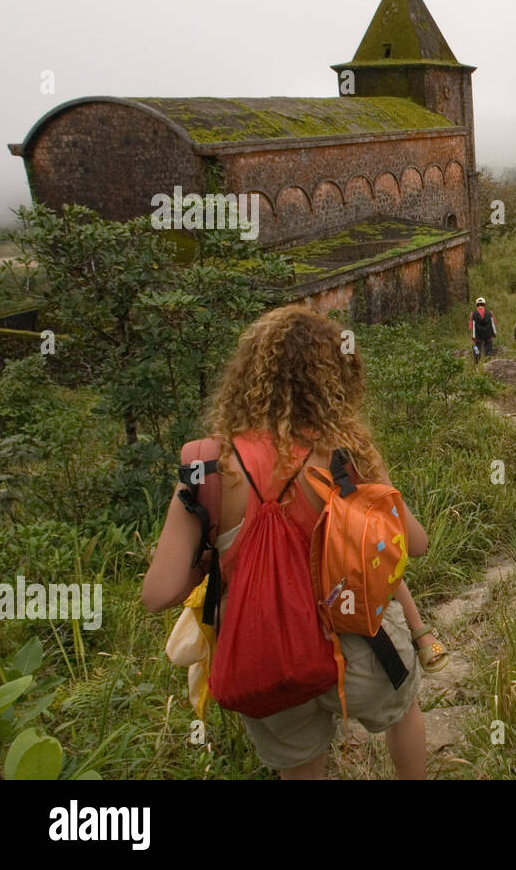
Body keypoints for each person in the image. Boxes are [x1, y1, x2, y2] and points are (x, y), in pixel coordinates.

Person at [142, 305, 433, 779]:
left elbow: (157, 593)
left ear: (247, 374)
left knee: (298, 767)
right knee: (402, 712)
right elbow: (414, 543)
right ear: (332, 377)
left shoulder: (206, 464)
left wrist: (218, 551)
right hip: (361, 645)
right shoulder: (343, 452)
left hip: (266, 656)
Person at [469, 296, 496, 363]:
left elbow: (472, 327)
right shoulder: (490, 313)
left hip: (477, 337)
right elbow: (493, 324)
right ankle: (488, 364)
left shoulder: (473, 314)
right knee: (489, 351)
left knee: (476, 350)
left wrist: (473, 338)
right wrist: (494, 334)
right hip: (488, 336)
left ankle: (477, 365)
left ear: (476, 305)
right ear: (484, 304)